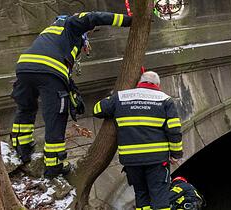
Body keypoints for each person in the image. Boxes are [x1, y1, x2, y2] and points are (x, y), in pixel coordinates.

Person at [10, 11, 132, 178]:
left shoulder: (50, 32)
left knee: (26, 108)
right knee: (56, 115)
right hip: (49, 71)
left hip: (24, 68)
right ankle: (54, 165)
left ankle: (22, 150)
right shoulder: (70, 23)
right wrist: (129, 21)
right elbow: (93, 17)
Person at [93, 71, 183, 210]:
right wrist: (176, 154)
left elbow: (97, 109)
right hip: (157, 159)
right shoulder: (165, 100)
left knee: (141, 195)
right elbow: (174, 129)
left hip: (131, 160)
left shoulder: (121, 97)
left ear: (139, 82)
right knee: (159, 197)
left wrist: (112, 97)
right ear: (157, 84)